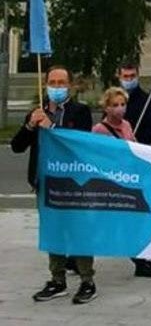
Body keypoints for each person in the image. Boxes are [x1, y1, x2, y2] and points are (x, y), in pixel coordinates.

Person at [11, 66, 97, 304]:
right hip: (46, 184)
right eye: (52, 82)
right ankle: (57, 279)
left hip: (73, 184)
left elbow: (80, 144)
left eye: (61, 82)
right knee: (53, 231)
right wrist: (30, 125)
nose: (56, 87)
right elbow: (17, 146)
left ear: (69, 86)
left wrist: (51, 127)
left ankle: (87, 280)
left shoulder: (79, 111)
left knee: (78, 231)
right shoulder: (37, 112)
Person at [93, 87, 151, 277]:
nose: (120, 108)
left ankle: (140, 262)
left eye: (122, 104)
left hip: (127, 182)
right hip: (110, 184)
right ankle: (76, 257)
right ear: (106, 108)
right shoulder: (100, 130)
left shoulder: (126, 125)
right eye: (115, 105)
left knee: (129, 222)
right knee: (103, 224)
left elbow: (133, 146)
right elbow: (97, 157)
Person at [118, 63, 151, 145]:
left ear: (137, 76)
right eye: (126, 76)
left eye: (132, 76)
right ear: (120, 77)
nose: (129, 79)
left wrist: (138, 142)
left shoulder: (148, 101)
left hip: (139, 148)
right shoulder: (113, 99)